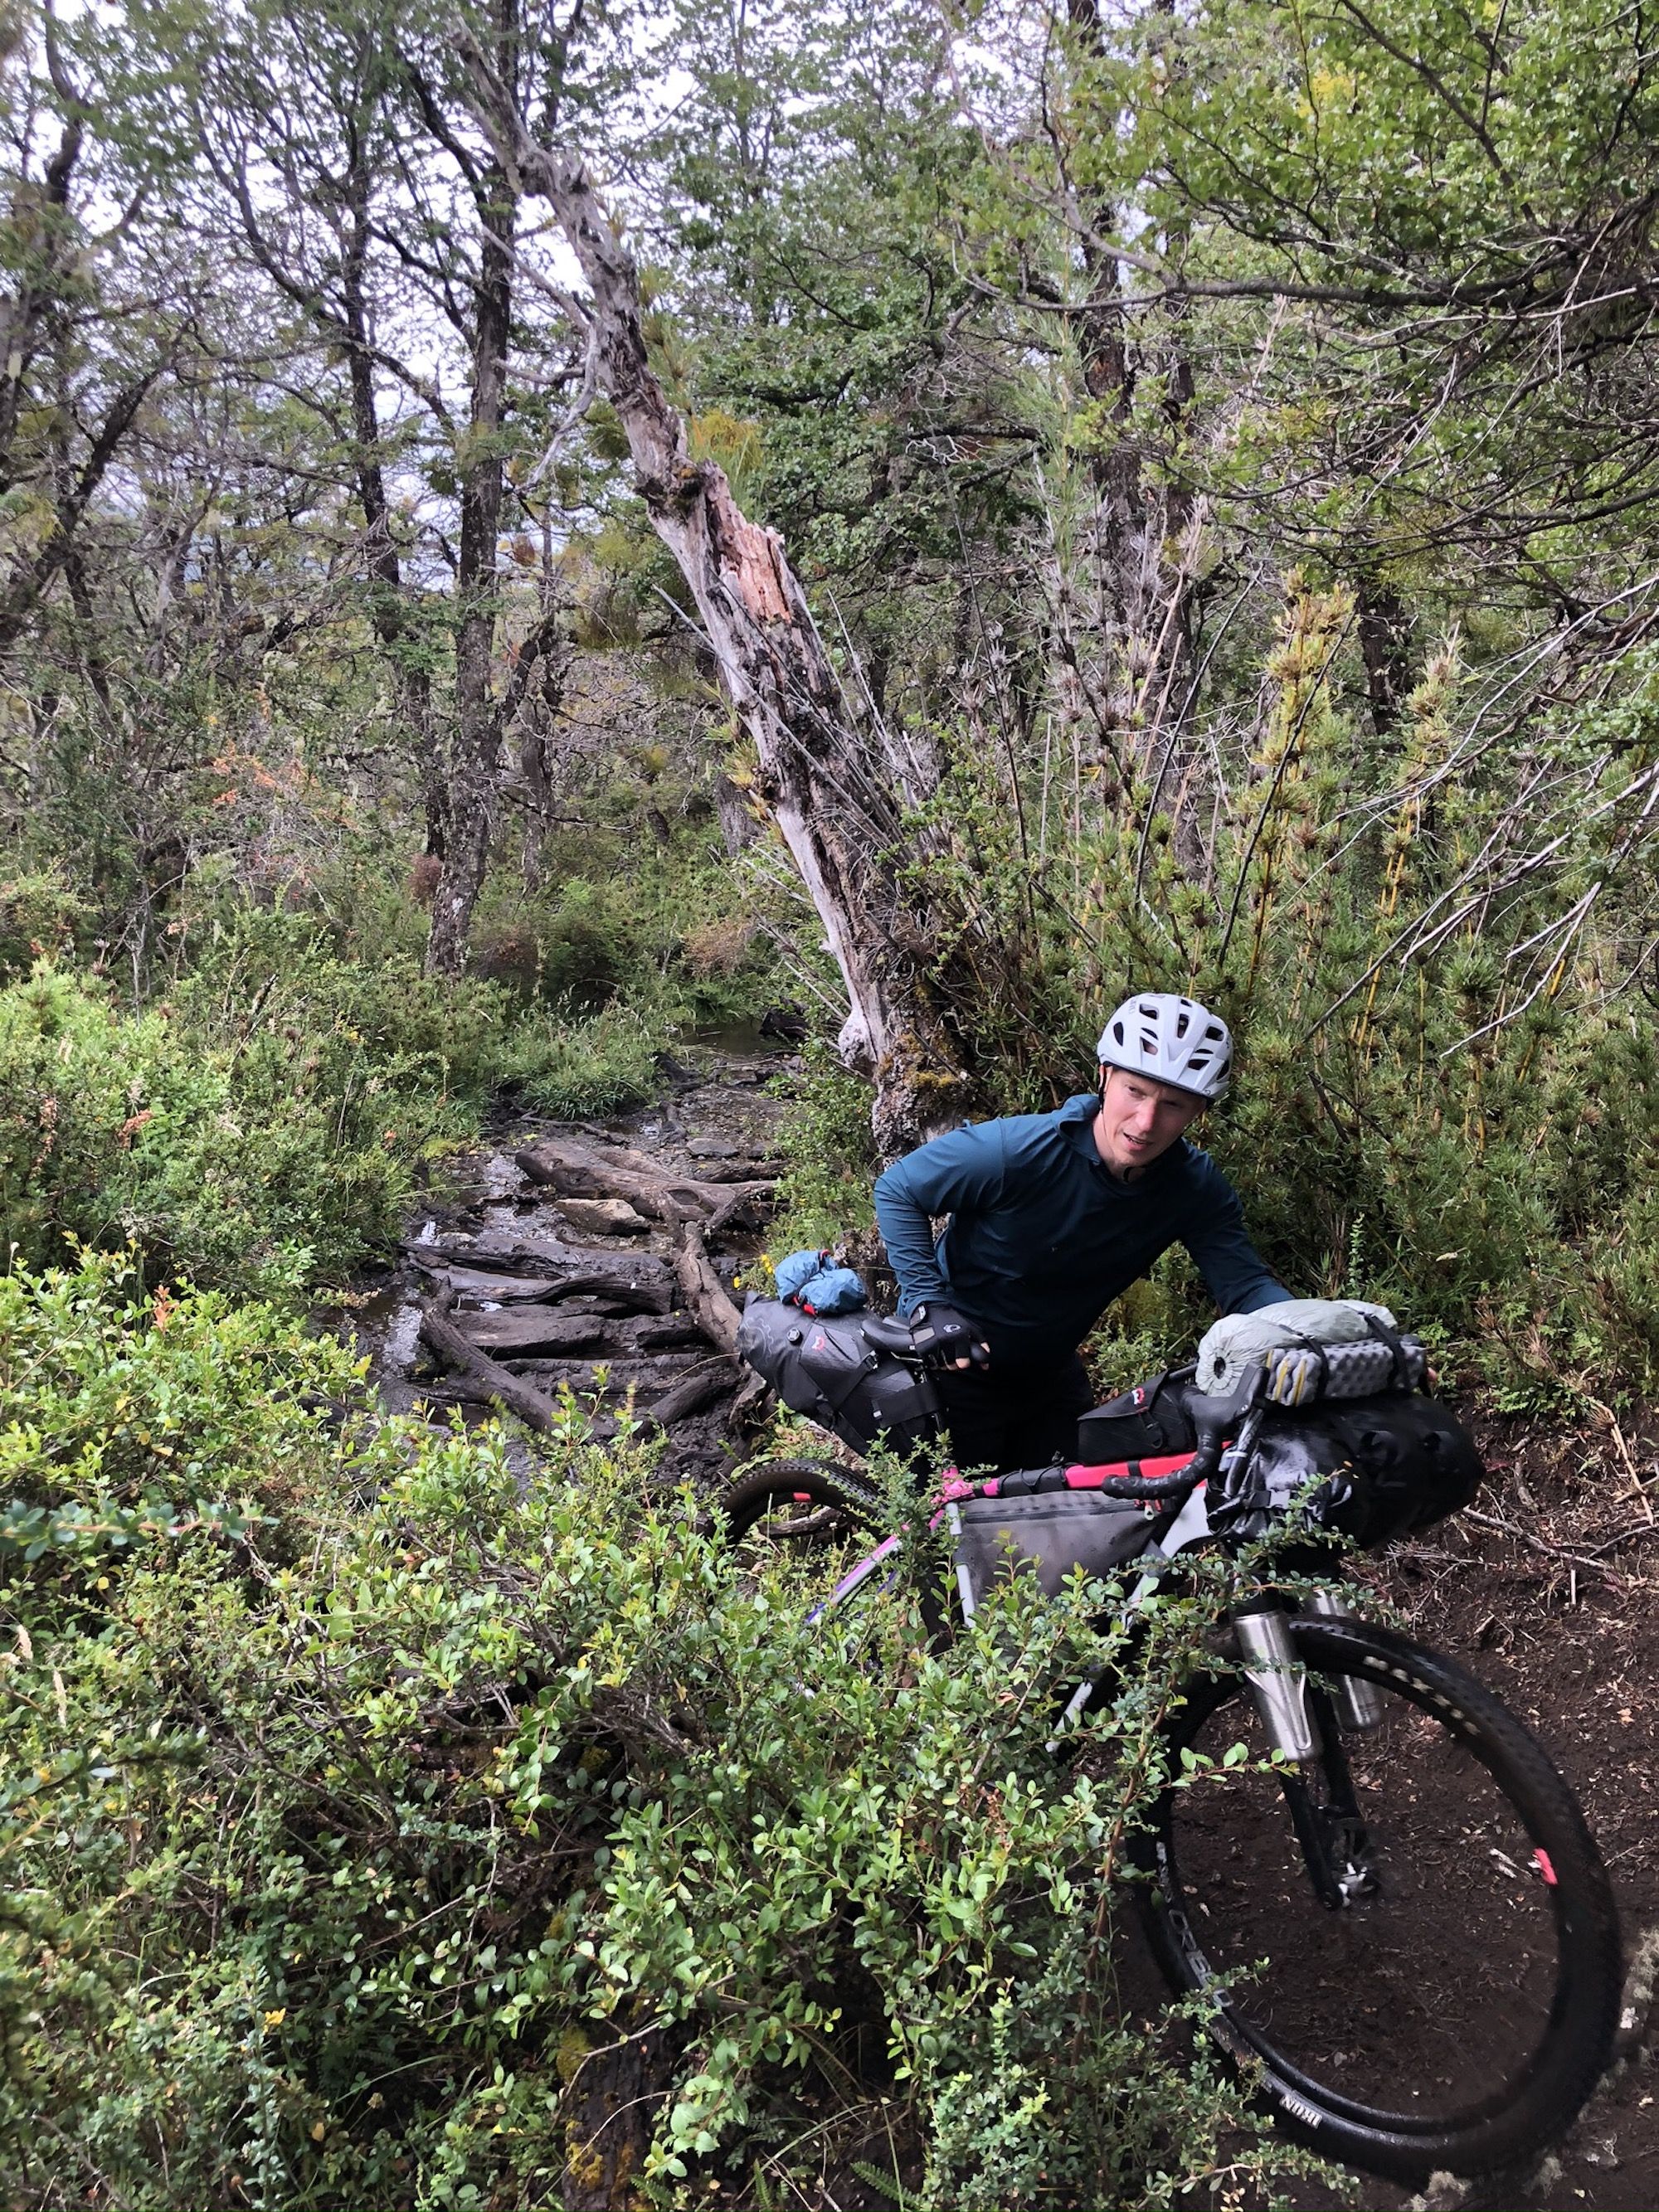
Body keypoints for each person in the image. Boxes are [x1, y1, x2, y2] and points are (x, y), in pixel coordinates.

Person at [872, 992, 1293, 1473]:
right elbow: (899, 1188)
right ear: (1105, 1076)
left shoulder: (1194, 1189)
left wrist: (1306, 1331)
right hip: (955, 1365)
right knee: (953, 1523)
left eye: (1173, 1104)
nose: (1146, 1122)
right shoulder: (1017, 1152)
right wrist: (928, 1303)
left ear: (1197, 1111)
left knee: (1072, 1515)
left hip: (1049, 1373)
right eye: (1135, 1091)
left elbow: (1243, 1285)